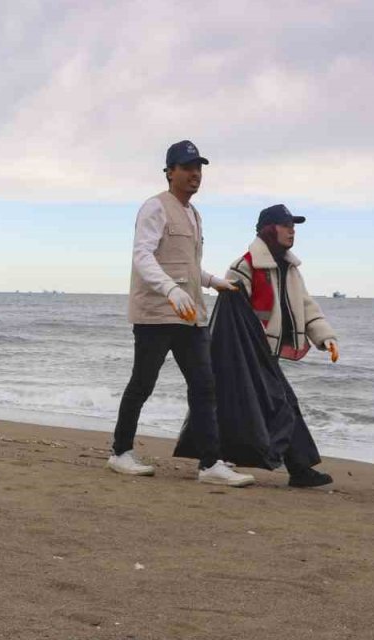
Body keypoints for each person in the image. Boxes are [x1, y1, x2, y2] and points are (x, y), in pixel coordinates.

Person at [108, 140, 255, 487]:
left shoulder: (194, 214)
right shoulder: (154, 208)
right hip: (155, 315)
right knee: (142, 384)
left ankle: (210, 464)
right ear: (170, 171)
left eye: (199, 169)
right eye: (187, 168)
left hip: (190, 317)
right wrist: (170, 290)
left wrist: (213, 281)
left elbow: (189, 265)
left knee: (205, 386)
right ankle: (120, 452)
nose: (195, 175)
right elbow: (142, 257)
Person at [224, 204, 338, 487]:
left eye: (294, 226)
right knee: (281, 406)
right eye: (286, 225)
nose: (292, 231)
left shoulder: (290, 269)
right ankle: (285, 464)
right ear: (268, 229)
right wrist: (242, 353)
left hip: (267, 356)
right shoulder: (244, 267)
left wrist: (325, 337)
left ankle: (295, 467)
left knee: (277, 406)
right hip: (248, 356)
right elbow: (232, 319)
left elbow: (306, 305)